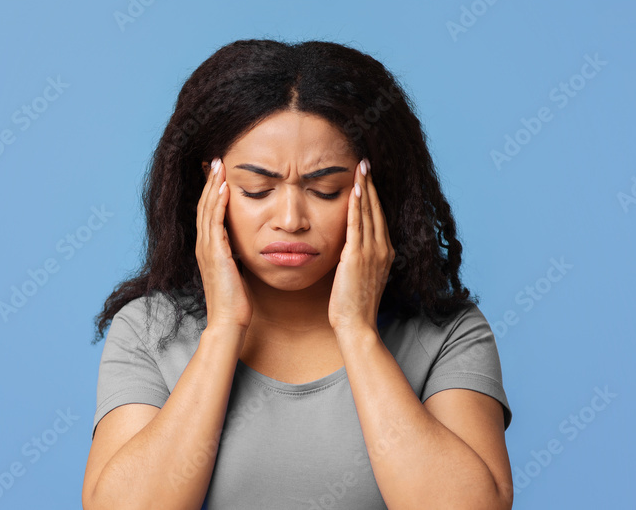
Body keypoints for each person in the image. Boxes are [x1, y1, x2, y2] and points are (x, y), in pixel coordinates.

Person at [82, 39, 513, 510]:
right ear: (211, 185)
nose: (290, 219)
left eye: (326, 190)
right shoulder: (149, 331)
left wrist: (358, 332)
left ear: (373, 189)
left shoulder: (448, 334)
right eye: (257, 189)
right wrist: (224, 328)